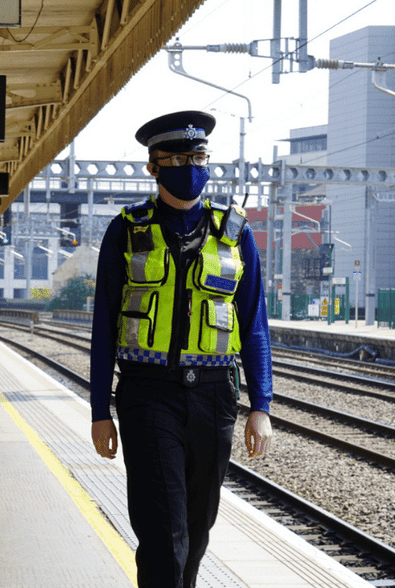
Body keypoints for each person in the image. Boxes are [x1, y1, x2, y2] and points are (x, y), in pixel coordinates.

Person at [89, 111, 274, 588]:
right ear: (153, 167)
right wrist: (99, 411)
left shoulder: (235, 233)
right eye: (177, 159)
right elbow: (104, 326)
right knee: (162, 532)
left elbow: (253, 324)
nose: (190, 168)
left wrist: (261, 406)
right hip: (148, 395)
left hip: (214, 397)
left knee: (196, 530)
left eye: (198, 158)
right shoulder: (126, 231)